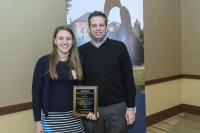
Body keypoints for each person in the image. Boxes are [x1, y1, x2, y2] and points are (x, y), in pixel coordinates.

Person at [79, 11, 136, 133]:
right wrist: (85, 108)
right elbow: (79, 81)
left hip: (117, 108)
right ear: (89, 29)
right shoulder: (80, 51)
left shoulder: (120, 47)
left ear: (106, 28)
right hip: (92, 110)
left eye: (101, 25)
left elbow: (128, 79)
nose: (98, 28)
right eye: (94, 25)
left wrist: (130, 107)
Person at [32, 26, 97, 133]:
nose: (65, 42)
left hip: (75, 120)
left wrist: (89, 111)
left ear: (72, 41)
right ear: (55, 41)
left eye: (68, 38)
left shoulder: (78, 63)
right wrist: (37, 121)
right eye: (61, 38)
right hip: (51, 120)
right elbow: (36, 94)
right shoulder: (43, 62)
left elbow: (82, 91)